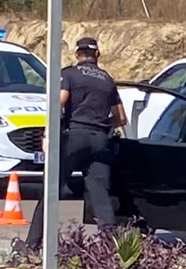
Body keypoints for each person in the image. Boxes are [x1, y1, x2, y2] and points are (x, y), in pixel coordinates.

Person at [13, 36, 126, 257]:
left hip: (75, 136)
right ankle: (110, 252)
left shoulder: (70, 74)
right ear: (98, 55)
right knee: (101, 198)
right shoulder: (107, 80)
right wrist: (102, 124)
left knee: (51, 190)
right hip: (100, 140)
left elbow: (60, 101)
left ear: (77, 55)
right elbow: (121, 118)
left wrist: (48, 132)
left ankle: (32, 245)